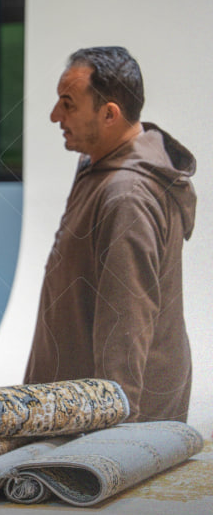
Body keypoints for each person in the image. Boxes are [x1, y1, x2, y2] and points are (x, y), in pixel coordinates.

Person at [26, 46, 196, 422]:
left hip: (115, 427)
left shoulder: (127, 196)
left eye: (68, 105)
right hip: (80, 415)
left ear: (109, 114)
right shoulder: (99, 168)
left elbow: (126, 325)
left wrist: (116, 438)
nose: (55, 116)